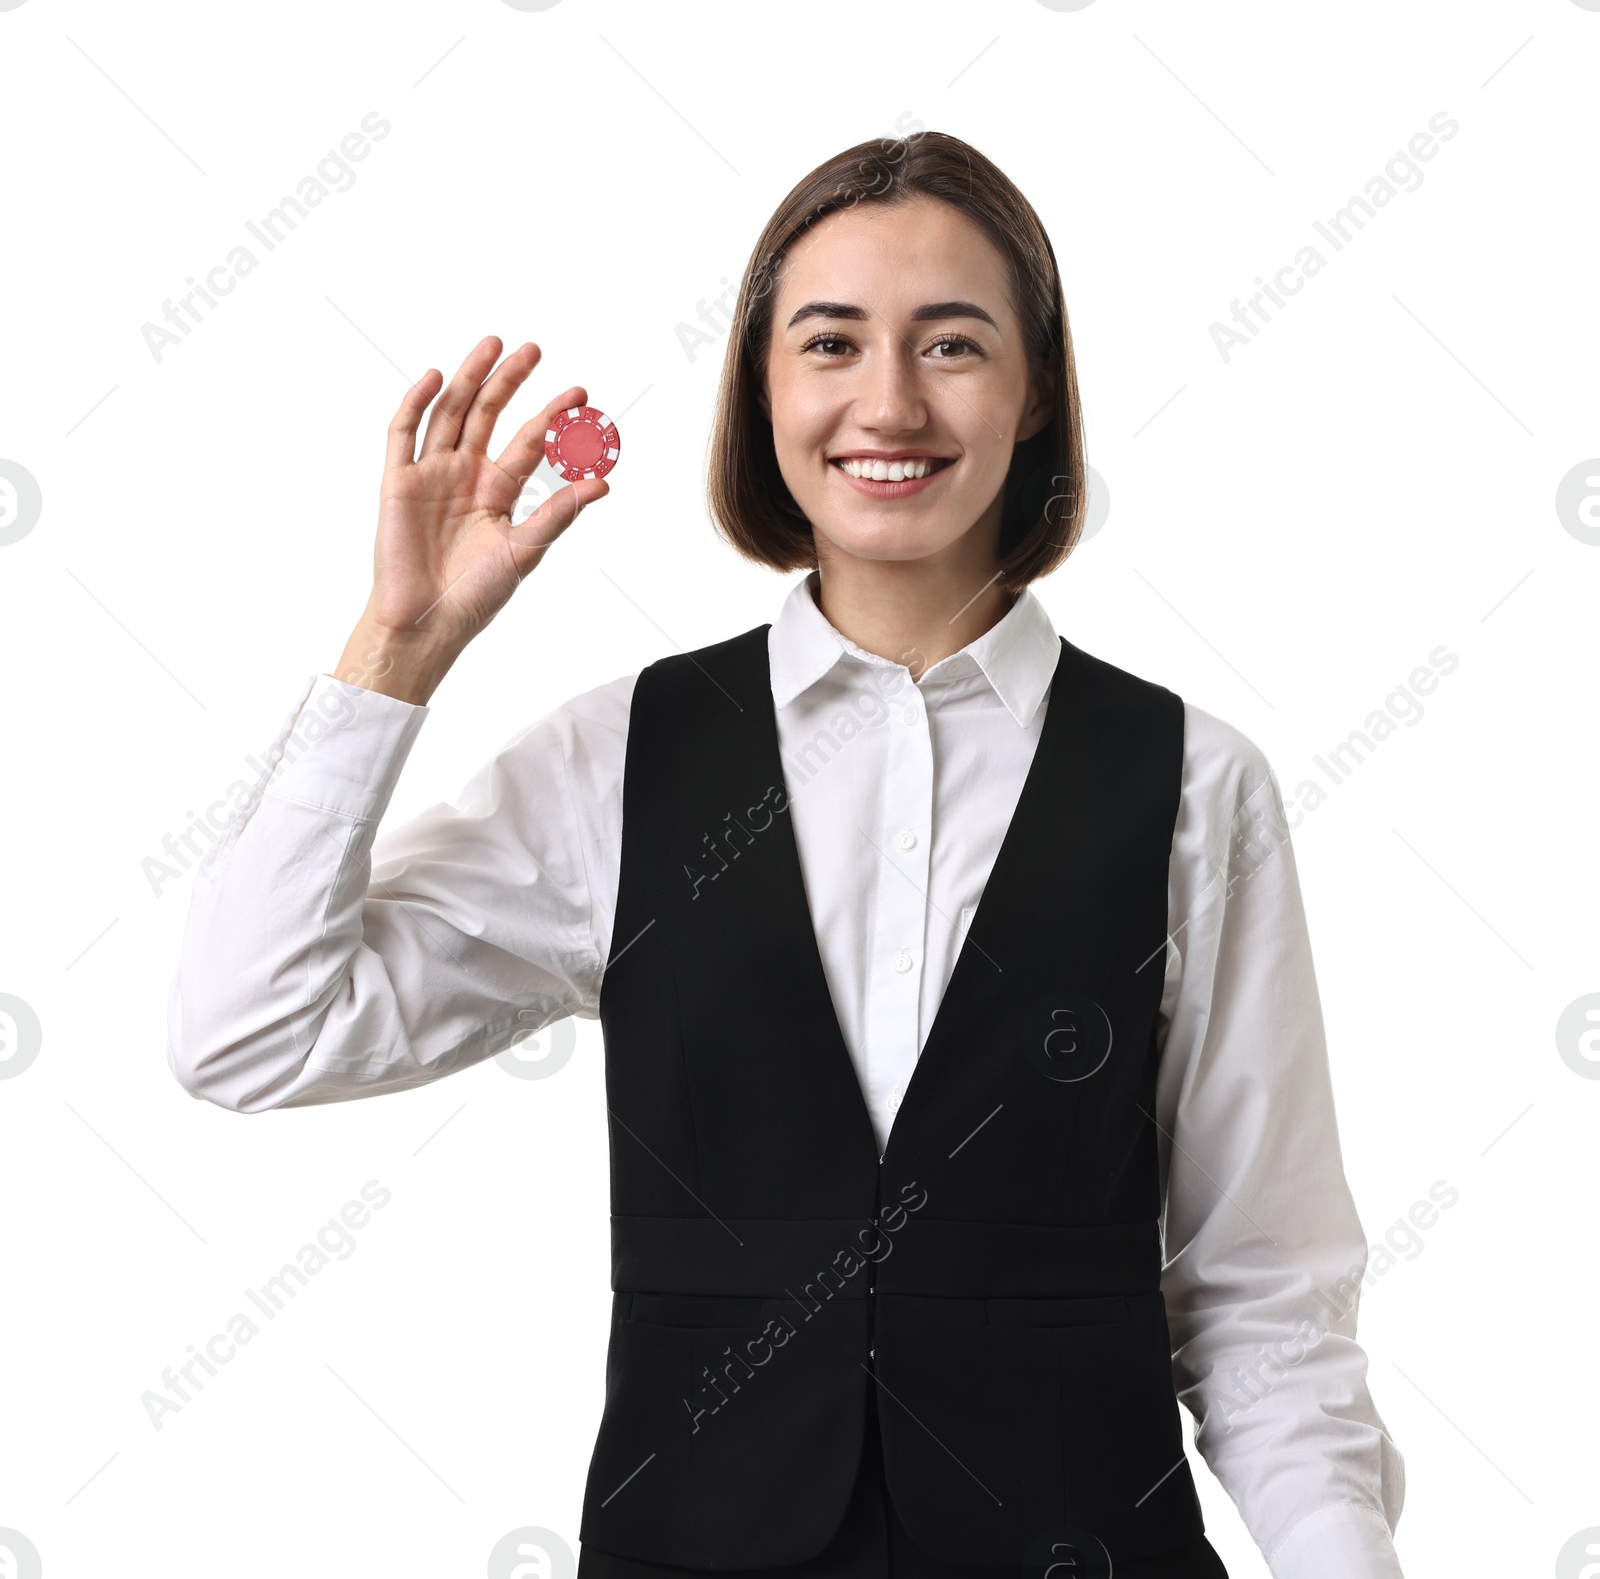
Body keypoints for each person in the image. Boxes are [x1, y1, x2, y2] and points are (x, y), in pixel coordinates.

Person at [167, 132, 1405, 1579]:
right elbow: (248, 1031)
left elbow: (1265, 1302)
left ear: (1036, 392)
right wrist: (397, 653)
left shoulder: (1195, 784)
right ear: (763, 391)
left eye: (952, 344)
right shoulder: (619, 758)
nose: (889, 401)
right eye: (832, 343)